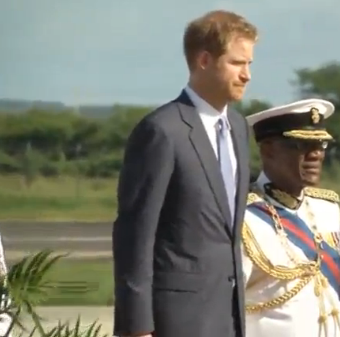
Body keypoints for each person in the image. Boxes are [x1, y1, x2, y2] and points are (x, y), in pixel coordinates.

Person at [112, 10, 257, 337]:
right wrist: (136, 326)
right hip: (176, 319)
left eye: (249, 64)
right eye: (237, 63)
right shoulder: (162, 131)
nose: (247, 75)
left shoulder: (237, 128)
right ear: (204, 60)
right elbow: (135, 233)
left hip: (228, 317)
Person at [240, 99, 340, 336]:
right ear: (268, 150)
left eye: (321, 144)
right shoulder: (243, 217)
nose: (315, 154)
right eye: (301, 145)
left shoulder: (327, 208)